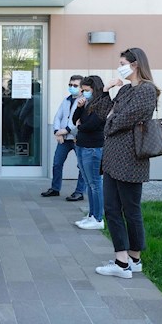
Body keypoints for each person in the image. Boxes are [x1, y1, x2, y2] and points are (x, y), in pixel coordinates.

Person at [93, 48, 158, 279]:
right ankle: (126, 259)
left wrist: (112, 121)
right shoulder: (126, 89)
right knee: (111, 208)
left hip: (130, 159)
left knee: (130, 210)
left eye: (122, 63)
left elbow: (124, 119)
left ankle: (128, 261)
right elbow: (104, 114)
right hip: (113, 158)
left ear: (135, 64)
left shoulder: (147, 90)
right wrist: (105, 91)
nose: (119, 67)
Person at [71, 76, 110, 230]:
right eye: (83, 90)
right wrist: (80, 108)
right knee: (89, 183)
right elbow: (75, 119)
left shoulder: (102, 104)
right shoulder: (87, 103)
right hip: (82, 145)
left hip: (93, 148)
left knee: (95, 184)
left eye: (86, 90)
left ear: (95, 89)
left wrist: (80, 127)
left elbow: (92, 125)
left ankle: (98, 218)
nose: (83, 93)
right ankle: (92, 215)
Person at [40, 75, 86, 200]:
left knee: (82, 166)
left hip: (77, 139)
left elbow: (79, 120)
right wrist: (57, 131)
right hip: (64, 139)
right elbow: (58, 117)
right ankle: (55, 188)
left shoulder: (84, 101)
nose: (72, 87)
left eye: (75, 85)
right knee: (57, 163)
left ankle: (79, 192)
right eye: (70, 85)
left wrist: (65, 131)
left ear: (82, 88)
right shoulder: (66, 100)